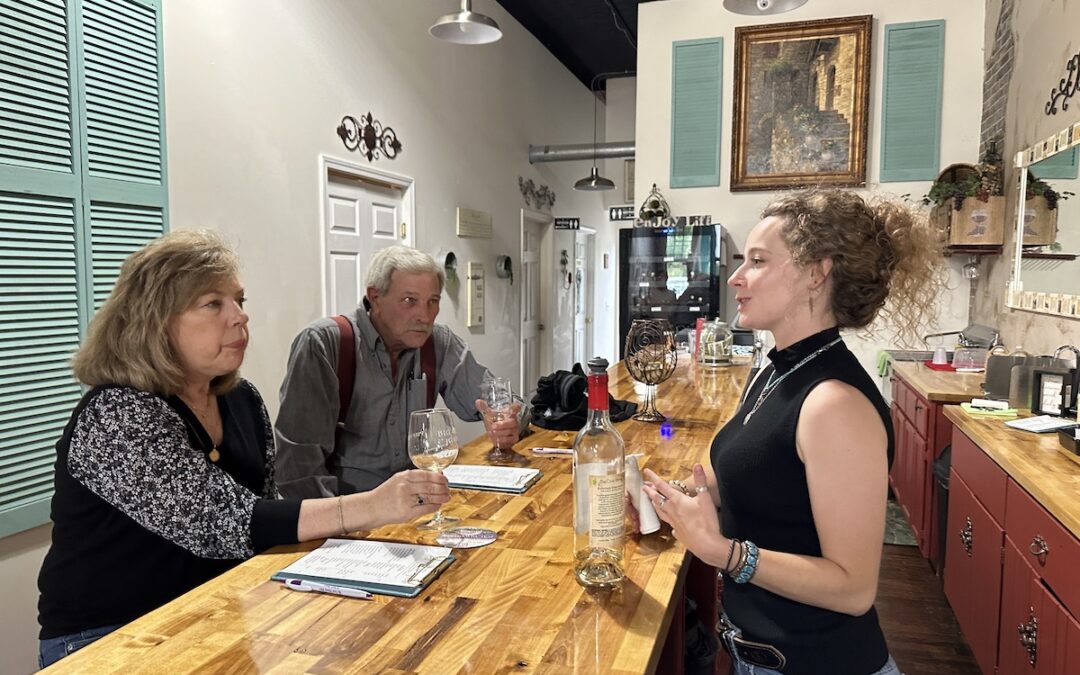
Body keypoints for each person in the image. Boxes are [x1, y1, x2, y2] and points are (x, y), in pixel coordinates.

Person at [36, 231, 449, 668]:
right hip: (111, 638)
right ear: (155, 320)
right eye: (213, 304)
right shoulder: (118, 411)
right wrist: (370, 507)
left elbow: (265, 517)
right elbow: (221, 522)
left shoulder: (241, 399)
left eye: (239, 301)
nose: (239, 318)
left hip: (214, 614)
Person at [641, 189, 943, 675]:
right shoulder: (778, 369)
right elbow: (759, 477)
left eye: (757, 261)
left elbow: (852, 587)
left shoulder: (834, 403)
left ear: (816, 274)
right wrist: (671, 497)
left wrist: (722, 551)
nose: (737, 277)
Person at [274, 245, 519, 499]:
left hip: (417, 508)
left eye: (432, 302)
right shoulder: (324, 344)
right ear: (375, 297)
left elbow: (501, 401)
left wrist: (509, 421)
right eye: (409, 301)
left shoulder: (438, 342)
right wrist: (338, 530)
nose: (424, 316)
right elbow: (298, 468)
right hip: (349, 516)